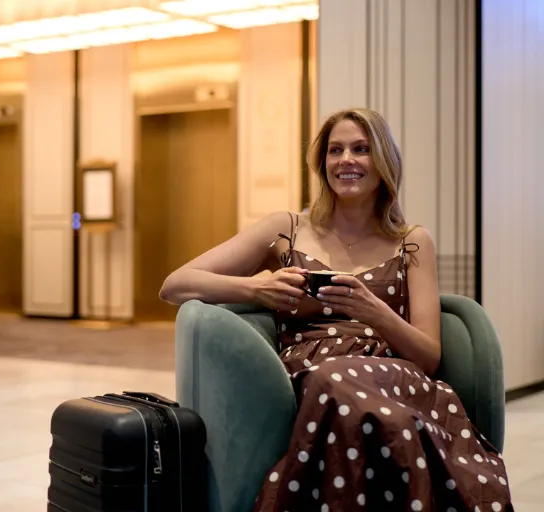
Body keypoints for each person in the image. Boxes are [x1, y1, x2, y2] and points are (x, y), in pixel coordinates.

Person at [159, 108, 513, 511]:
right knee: (336, 383)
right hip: (309, 376)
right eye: (335, 150)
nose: (346, 160)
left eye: (361, 149)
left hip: (391, 377)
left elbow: (429, 356)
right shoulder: (288, 227)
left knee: (362, 399)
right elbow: (175, 285)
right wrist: (256, 287)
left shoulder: (412, 241)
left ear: (383, 162)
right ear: (322, 163)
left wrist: (373, 310)